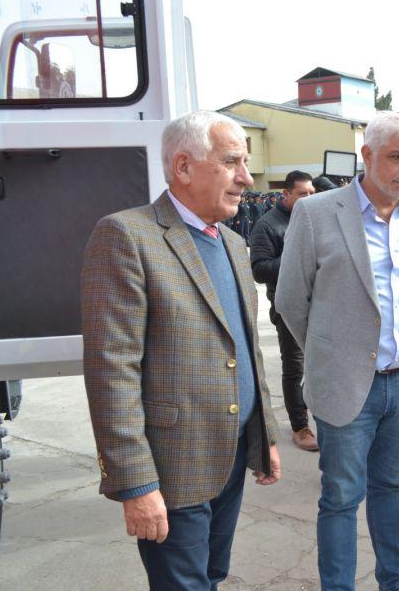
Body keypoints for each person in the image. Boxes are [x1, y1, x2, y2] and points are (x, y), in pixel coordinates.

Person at [80, 111, 281, 590]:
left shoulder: (232, 243)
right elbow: (112, 371)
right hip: (174, 465)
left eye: (245, 163)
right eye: (231, 162)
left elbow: (246, 348)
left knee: (212, 574)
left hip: (232, 452)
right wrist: (136, 482)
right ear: (184, 167)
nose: (246, 178)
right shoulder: (126, 236)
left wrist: (265, 433)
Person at [275, 111, 399, 591]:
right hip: (346, 384)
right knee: (340, 497)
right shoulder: (316, 213)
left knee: (391, 486)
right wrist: (331, 355)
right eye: (397, 156)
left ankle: (395, 581)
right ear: (367, 156)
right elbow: (291, 300)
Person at [249, 169, 318, 452]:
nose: (308, 198)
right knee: (295, 368)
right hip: (288, 307)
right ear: (286, 194)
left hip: (321, 305)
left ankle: (326, 418)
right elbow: (259, 269)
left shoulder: (316, 219)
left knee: (322, 365)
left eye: (311, 193)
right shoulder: (268, 225)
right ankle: (300, 426)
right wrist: (296, 259)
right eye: (302, 194)